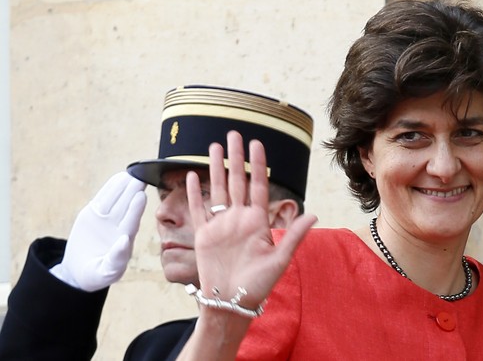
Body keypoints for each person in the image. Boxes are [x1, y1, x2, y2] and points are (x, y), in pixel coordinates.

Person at [176, 0, 483, 360]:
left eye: (469, 134)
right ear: (366, 153)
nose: (444, 167)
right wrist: (220, 323)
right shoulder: (289, 269)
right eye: (412, 136)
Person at [0, 85, 314, 360]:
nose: (163, 214)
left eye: (202, 191)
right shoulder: (154, 348)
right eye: (164, 195)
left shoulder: (331, 342)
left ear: (278, 216)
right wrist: (66, 288)